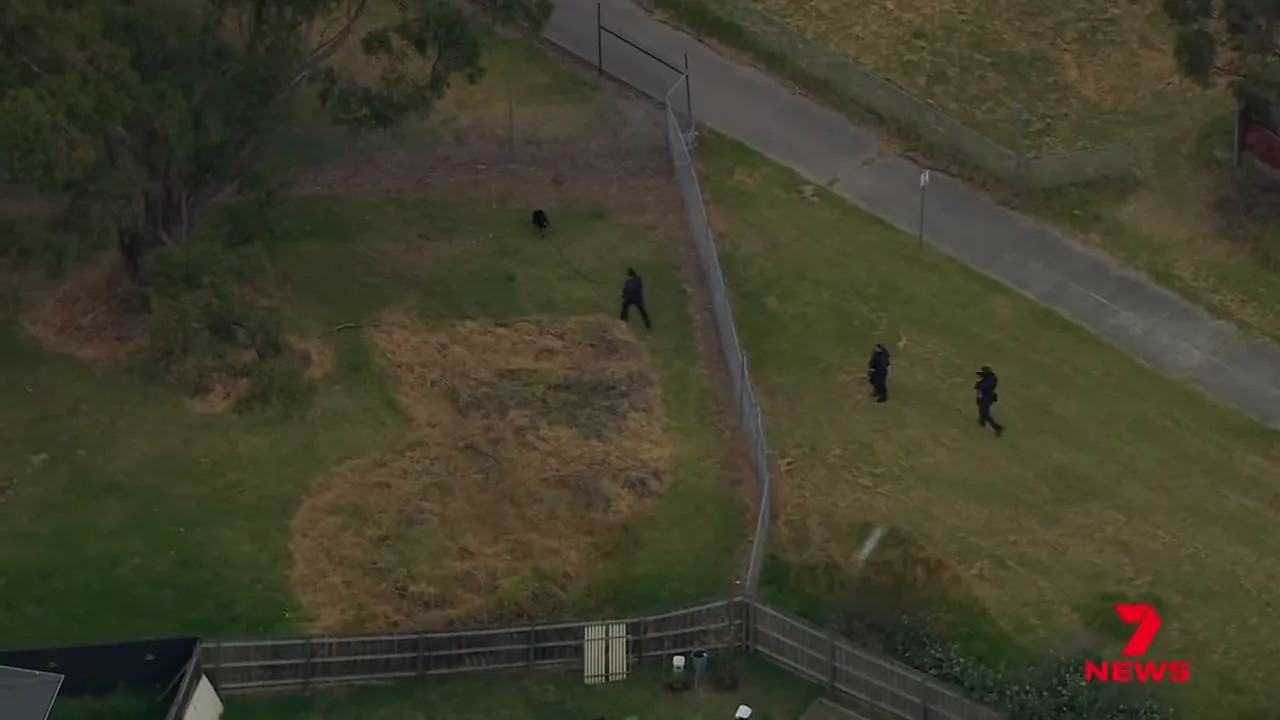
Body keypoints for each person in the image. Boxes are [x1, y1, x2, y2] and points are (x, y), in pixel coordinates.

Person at [974, 365, 1004, 437]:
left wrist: (979, 385)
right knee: (981, 407)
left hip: (988, 397)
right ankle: (982, 421)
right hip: (985, 396)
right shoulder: (989, 377)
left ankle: (997, 427)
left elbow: (985, 385)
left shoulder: (992, 378)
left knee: (985, 412)